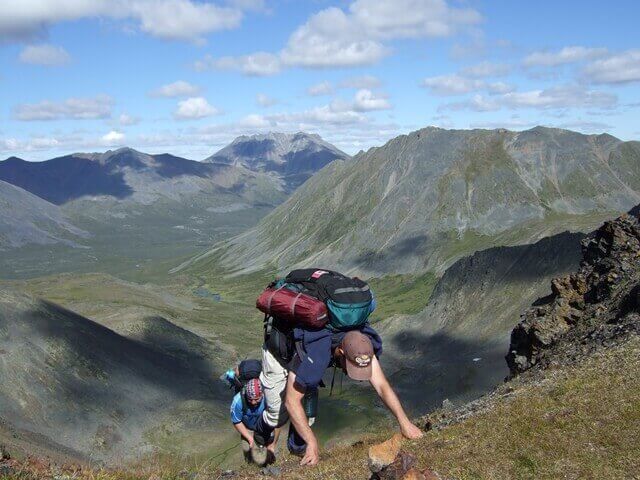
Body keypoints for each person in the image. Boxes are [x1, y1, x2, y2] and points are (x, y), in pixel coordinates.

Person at [253, 322, 423, 466]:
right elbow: (291, 401)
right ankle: (260, 439)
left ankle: (297, 448)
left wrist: (404, 422)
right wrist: (312, 442)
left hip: (306, 361)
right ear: (341, 352)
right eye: (350, 366)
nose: (351, 373)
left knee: (308, 413)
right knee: (277, 415)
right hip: (279, 355)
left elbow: (382, 386)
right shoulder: (317, 352)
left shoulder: (362, 345)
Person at [229, 378, 267, 463]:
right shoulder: (237, 401)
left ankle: (263, 467)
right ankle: (249, 465)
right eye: (250, 399)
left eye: (257, 399)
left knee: (261, 459)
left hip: (263, 428)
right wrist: (250, 439)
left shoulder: (268, 398)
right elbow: (237, 421)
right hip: (247, 428)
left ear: (262, 394)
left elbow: (275, 418)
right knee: (247, 451)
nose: (253, 402)